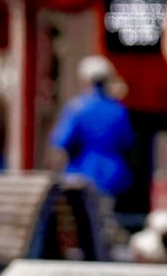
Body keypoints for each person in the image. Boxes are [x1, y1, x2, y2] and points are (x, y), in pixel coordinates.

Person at [52, 55, 135, 206]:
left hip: (81, 174)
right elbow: (127, 142)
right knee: (106, 219)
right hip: (112, 176)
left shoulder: (76, 108)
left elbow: (62, 141)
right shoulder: (118, 110)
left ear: (85, 80)